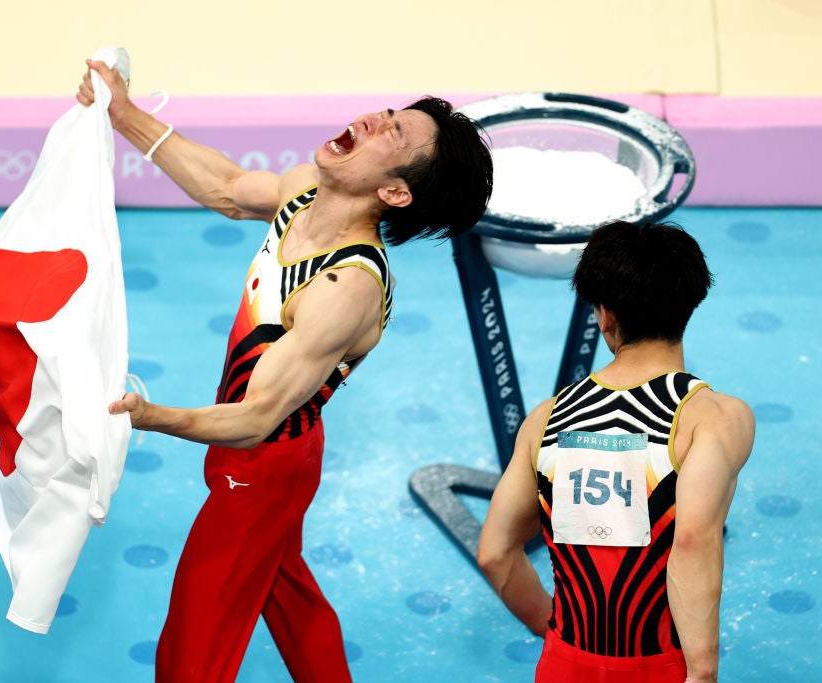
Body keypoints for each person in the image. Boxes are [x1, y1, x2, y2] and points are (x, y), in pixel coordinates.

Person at [77, 58, 494, 682]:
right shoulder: (302, 193)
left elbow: (254, 420)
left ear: (395, 193)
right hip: (269, 448)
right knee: (285, 592)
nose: (375, 119)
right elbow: (224, 185)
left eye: (394, 135)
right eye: (388, 113)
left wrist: (146, 416)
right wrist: (125, 114)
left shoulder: (343, 288)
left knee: (193, 644)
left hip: (263, 466)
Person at [476, 220, 755, 682]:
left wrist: (556, 635)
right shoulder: (714, 419)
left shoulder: (546, 419)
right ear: (690, 302)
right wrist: (702, 673)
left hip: (566, 661)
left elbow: (495, 553)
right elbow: (693, 540)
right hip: (662, 664)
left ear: (603, 313)